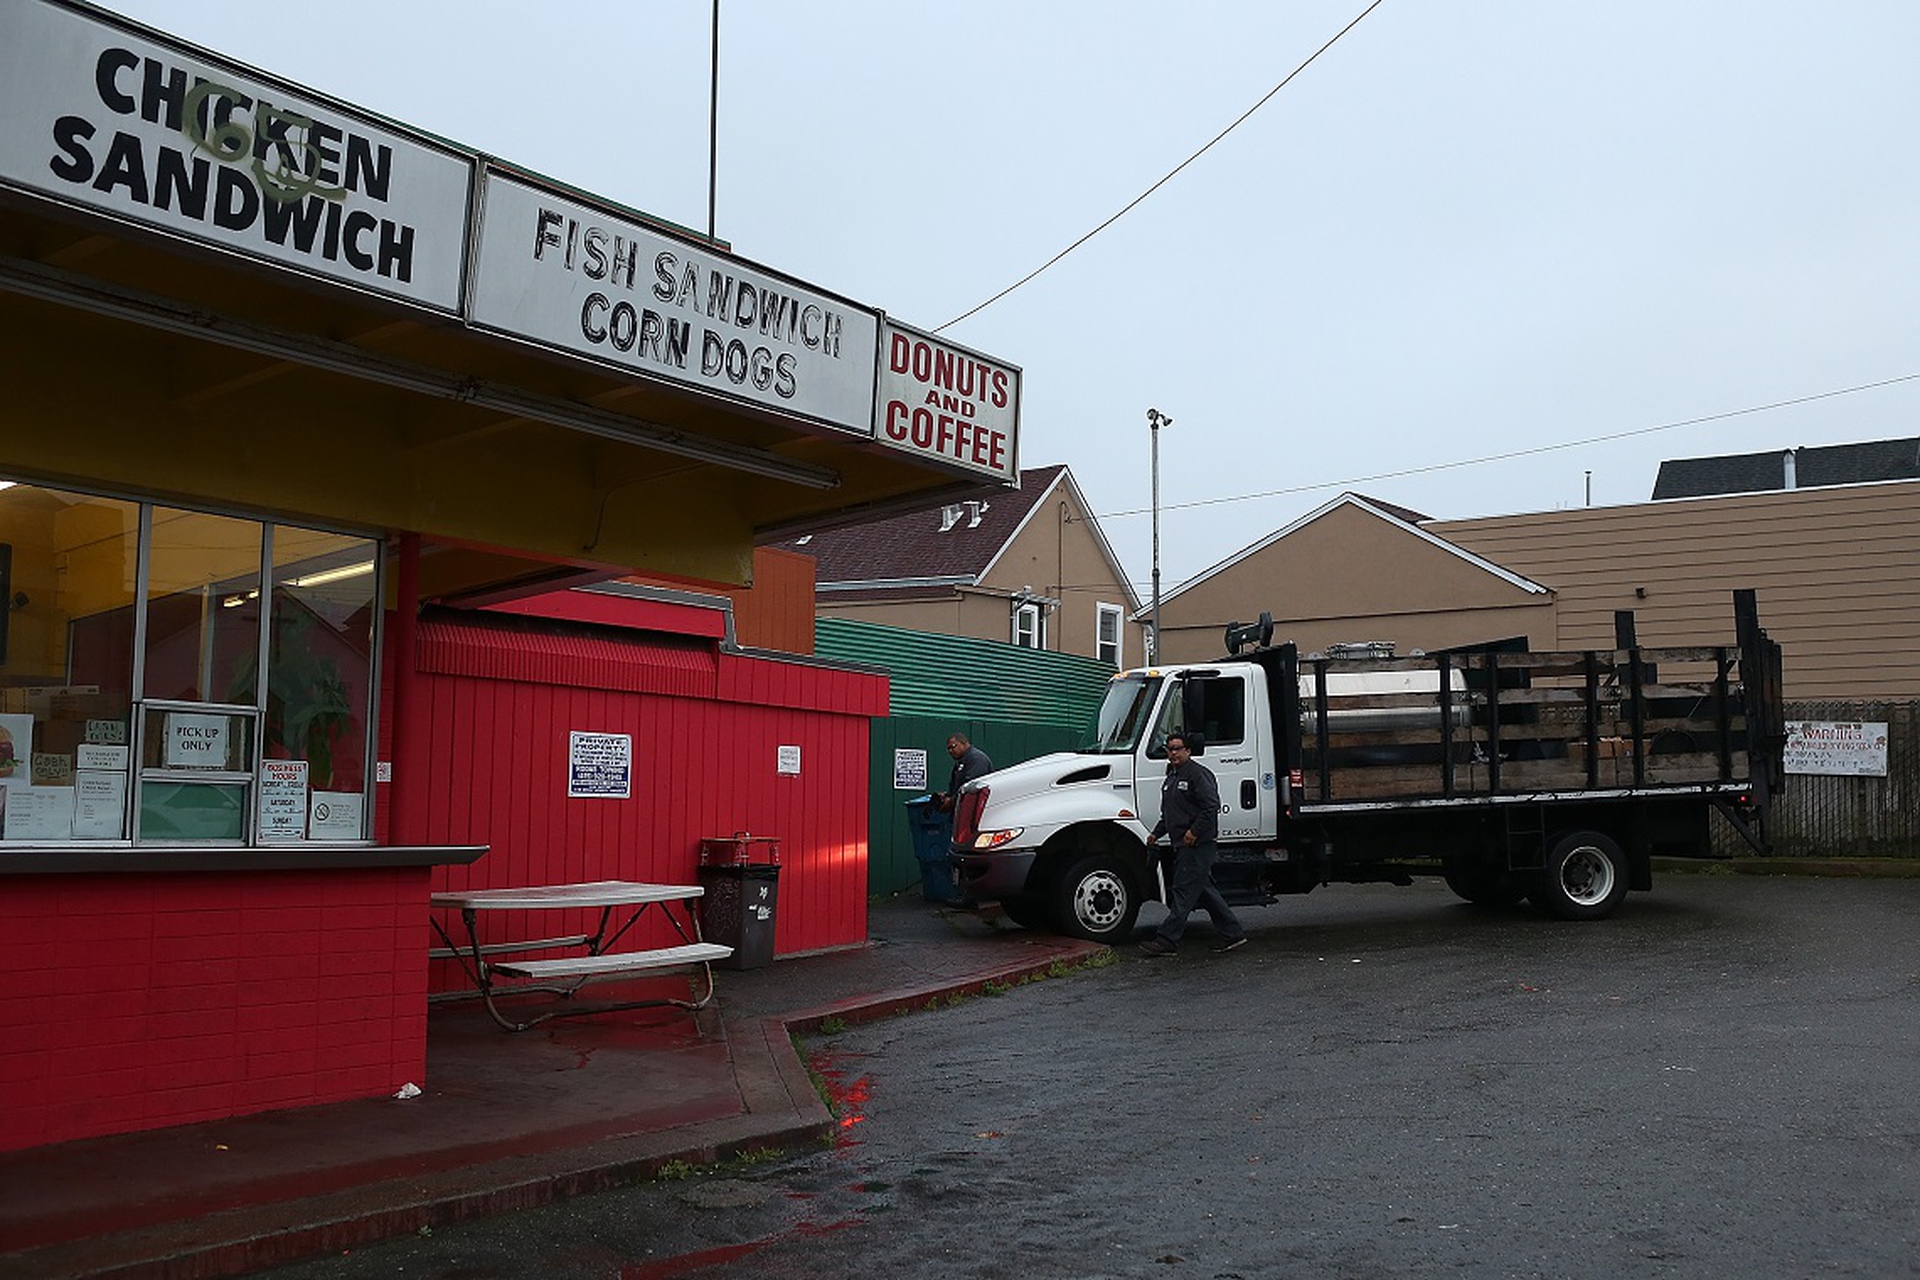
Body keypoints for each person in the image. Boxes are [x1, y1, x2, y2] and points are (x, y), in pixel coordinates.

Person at [1139, 732, 1247, 957]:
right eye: (1170, 749)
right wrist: (1156, 834)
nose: (1173, 753)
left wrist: (1193, 832)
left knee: (1183, 892)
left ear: (1188, 751)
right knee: (1204, 891)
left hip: (1197, 845)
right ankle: (1233, 934)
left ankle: (1167, 940)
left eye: (1178, 748)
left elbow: (1211, 807)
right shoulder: (1172, 777)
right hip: (1181, 844)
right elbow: (1169, 813)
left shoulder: (1198, 775)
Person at [933, 732, 993, 813]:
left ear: (964, 743)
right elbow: (956, 787)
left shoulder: (977, 759)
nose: (950, 751)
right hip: (962, 812)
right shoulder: (961, 762)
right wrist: (947, 796)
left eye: (953, 747)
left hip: (974, 813)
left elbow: (970, 788)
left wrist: (951, 801)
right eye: (948, 749)